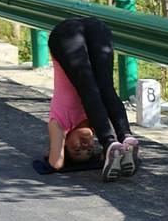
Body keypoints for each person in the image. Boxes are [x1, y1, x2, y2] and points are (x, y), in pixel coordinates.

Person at [47, 17, 139, 181]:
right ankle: (126, 138)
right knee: (106, 88)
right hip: (98, 28)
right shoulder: (98, 122)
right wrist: (108, 155)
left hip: (64, 33)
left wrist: (60, 151)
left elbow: (56, 163)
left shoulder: (60, 123)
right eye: (89, 150)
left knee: (89, 89)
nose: (84, 146)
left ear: (66, 142)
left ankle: (109, 142)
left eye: (76, 150)